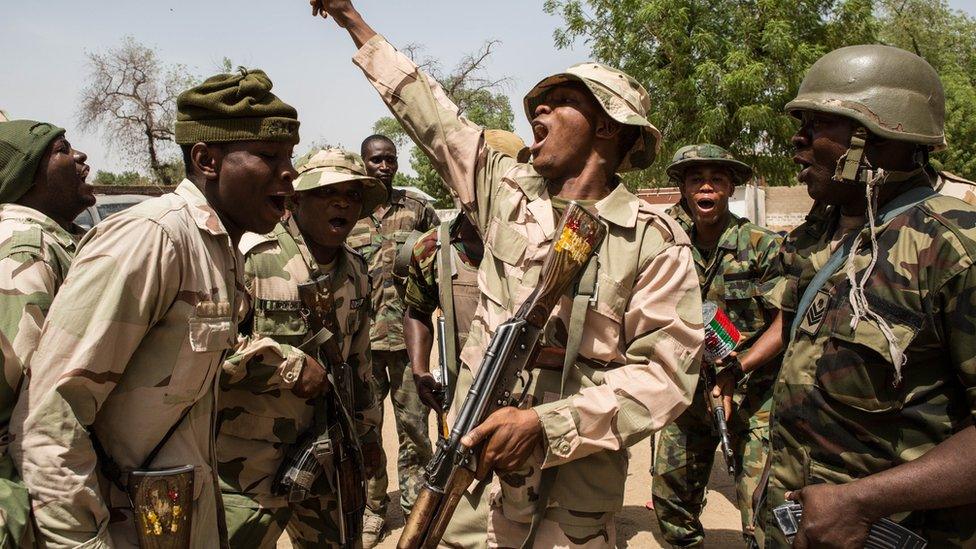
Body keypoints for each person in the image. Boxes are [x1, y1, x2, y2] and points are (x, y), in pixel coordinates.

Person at [310, 1, 704, 545]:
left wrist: (545, 425)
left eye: (563, 101)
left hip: (571, 490)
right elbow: (430, 113)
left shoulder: (653, 240)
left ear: (608, 126)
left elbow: (666, 378)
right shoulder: (505, 192)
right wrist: (351, 20)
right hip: (472, 476)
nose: (538, 109)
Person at [12, 68, 300, 548]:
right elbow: (51, 419)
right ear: (206, 160)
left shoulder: (219, 247)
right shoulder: (154, 238)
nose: (289, 172)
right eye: (269, 156)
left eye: (289, 156)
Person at [759, 44, 976, 548]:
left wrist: (862, 502)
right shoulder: (823, 234)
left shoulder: (953, 248)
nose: (797, 139)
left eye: (818, 123)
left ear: (876, 135)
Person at [216, 148, 387, 547]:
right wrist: (290, 366)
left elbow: (360, 364)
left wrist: (367, 435)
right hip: (250, 459)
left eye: (352, 194)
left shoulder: (357, 271)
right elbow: (212, 350)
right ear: (296, 200)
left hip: (327, 452)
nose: (342, 203)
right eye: (327, 192)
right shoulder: (253, 260)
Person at [651, 144, 784, 548]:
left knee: (762, 511)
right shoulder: (667, 245)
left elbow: (785, 323)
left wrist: (736, 369)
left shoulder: (761, 245)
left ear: (730, 188)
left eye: (717, 179)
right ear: (684, 190)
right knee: (670, 499)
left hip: (751, 395)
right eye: (696, 179)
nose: (706, 187)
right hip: (689, 392)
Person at [402, 129, 524, 549]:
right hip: (462, 407)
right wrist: (420, 371)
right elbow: (417, 310)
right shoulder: (433, 248)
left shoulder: (545, 247)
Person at [0, 120, 93, 547]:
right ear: (27, 175)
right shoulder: (27, 247)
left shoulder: (56, 241)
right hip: (29, 495)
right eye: (62, 149)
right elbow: (19, 392)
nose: (80, 156)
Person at [347, 134, 439, 547]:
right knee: (365, 430)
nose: (384, 166)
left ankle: (418, 505)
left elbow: (441, 257)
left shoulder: (416, 209)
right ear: (363, 163)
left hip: (408, 343)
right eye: (376, 160)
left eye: (390, 159)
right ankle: (374, 509)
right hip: (362, 345)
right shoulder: (349, 210)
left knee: (415, 428)